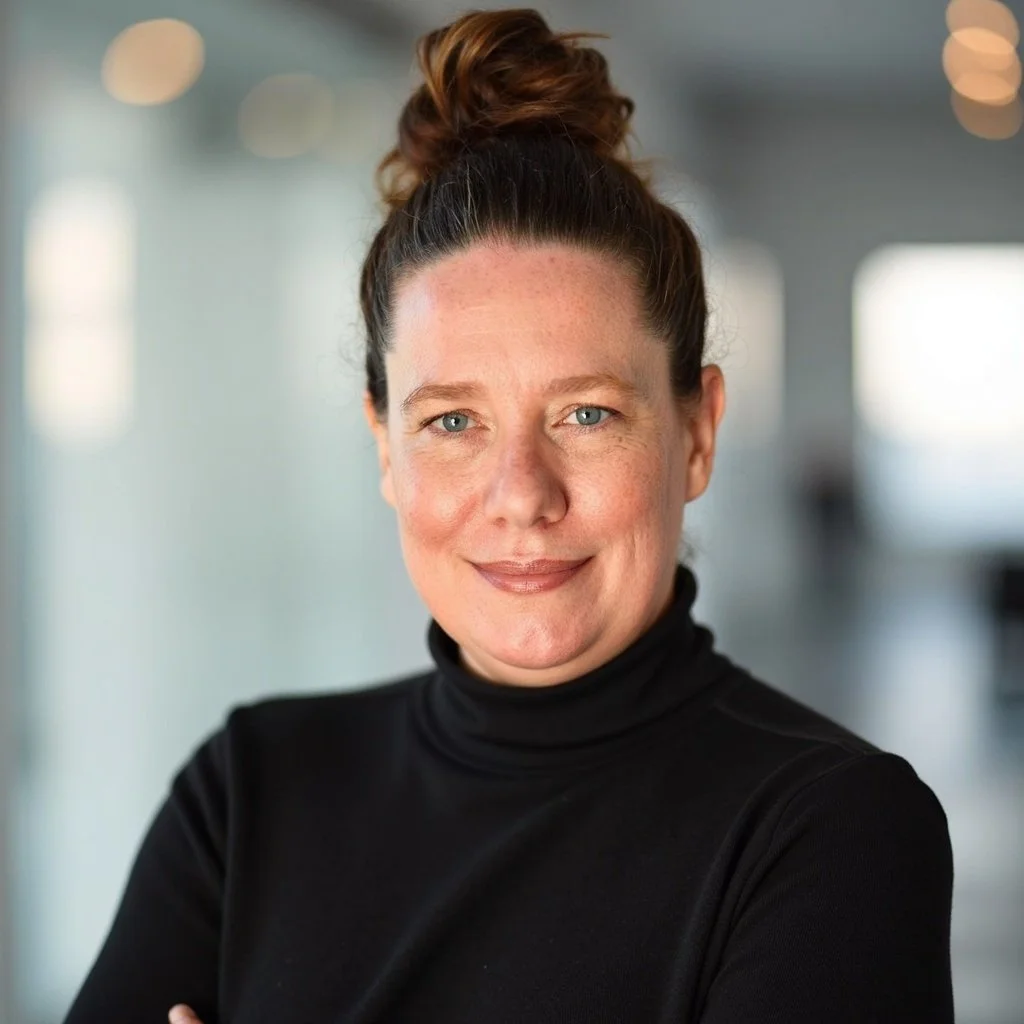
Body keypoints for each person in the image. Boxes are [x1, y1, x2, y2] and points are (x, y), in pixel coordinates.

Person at [64, 9, 954, 1023]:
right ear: (384, 447)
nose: (521, 494)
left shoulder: (830, 827)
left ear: (697, 433)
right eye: (451, 420)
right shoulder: (250, 792)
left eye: (586, 413)